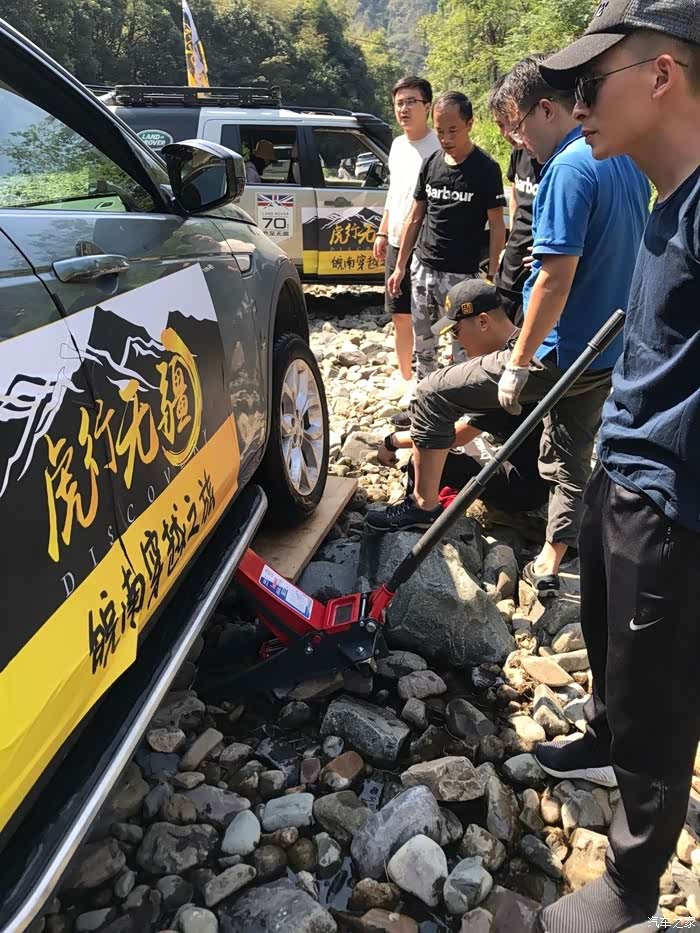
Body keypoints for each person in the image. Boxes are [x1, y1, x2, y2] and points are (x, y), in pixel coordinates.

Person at [518, 5, 700, 932]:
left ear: (662, 76)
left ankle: (632, 881)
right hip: (619, 465)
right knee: (608, 638)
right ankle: (603, 734)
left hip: (669, 495)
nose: (576, 105)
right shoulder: (666, 193)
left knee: (659, 684)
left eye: (591, 85)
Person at [368, 59, 650, 605]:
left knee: (431, 394)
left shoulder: (567, 168)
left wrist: (518, 360)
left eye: (517, 128)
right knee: (570, 452)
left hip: (559, 350)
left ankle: (422, 506)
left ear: (546, 109)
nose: (518, 143)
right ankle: (553, 555)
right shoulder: (623, 158)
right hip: (605, 349)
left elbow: (552, 278)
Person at [376, 279, 548, 519]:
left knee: (427, 455)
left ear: (483, 322)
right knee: (431, 440)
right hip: (533, 469)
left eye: (456, 331)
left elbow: (458, 436)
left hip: (524, 488)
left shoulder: (506, 374)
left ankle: (418, 513)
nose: (456, 341)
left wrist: (392, 441)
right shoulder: (524, 346)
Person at [386, 91, 507, 382]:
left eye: (453, 130)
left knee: (463, 346)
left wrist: (492, 274)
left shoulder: (486, 169)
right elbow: (416, 216)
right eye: (440, 131)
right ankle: (424, 394)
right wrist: (401, 266)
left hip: (461, 276)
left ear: (470, 124)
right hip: (423, 268)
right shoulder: (431, 163)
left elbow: (497, 224)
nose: (446, 138)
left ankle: (460, 397)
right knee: (424, 344)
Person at [374, 76, 441, 392]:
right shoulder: (398, 145)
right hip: (396, 240)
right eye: (399, 103)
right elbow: (395, 192)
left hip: (426, 244)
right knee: (399, 315)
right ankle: (404, 381)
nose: (404, 109)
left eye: (411, 101)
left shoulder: (438, 146)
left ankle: (432, 379)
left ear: (427, 106)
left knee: (430, 317)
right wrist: (382, 231)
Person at [488, 77, 542, 325]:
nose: (506, 134)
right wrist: (509, 241)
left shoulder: (555, 159)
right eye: (499, 125)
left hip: (538, 265)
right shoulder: (518, 152)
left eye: (508, 123)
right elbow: (515, 195)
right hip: (512, 261)